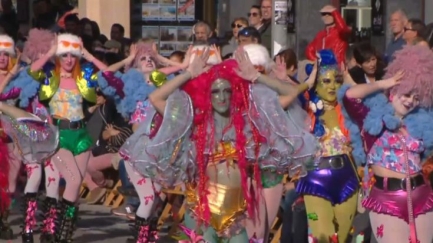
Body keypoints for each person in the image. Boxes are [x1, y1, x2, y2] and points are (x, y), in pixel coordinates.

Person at [122, 44, 318, 242]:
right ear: (207, 95)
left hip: (238, 216)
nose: (222, 97)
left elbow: (290, 94)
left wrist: (257, 77)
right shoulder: (195, 123)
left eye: (227, 91)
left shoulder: (248, 121)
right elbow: (156, 97)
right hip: (201, 214)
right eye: (215, 92)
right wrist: (189, 73)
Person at [339, 45, 433, 243]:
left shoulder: (422, 122)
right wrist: (384, 83)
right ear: (393, 91)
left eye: (416, 98)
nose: (410, 101)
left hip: (422, 196)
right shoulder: (372, 117)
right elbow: (350, 96)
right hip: (387, 198)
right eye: (406, 94)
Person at [25, 33, 107, 241]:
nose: (69, 60)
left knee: (75, 185)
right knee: (72, 179)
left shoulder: (83, 77)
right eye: (64, 55)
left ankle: (63, 235)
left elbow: (108, 74)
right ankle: (58, 232)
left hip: (81, 135)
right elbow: (31, 71)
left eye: (73, 55)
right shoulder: (50, 76)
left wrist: (88, 53)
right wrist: (52, 51)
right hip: (59, 136)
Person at [295, 50, 358, 243]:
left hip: (347, 177)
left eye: (336, 80)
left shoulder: (349, 109)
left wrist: (349, 79)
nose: (333, 86)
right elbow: (286, 99)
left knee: (344, 236)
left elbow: (373, 101)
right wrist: (306, 83)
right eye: (326, 81)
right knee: (324, 237)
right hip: (315, 179)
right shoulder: (305, 109)